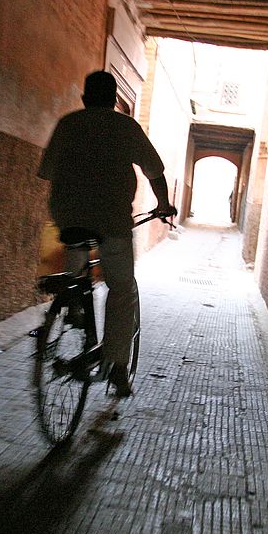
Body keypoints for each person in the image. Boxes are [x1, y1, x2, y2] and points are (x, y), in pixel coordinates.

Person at [37, 70, 176, 397]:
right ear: (115, 101)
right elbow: (155, 171)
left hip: (67, 213)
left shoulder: (68, 123)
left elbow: (46, 171)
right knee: (121, 287)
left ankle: (73, 299)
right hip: (111, 218)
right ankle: (116, 365)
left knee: (75, 241)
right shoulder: (126, 127)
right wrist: (164, 203)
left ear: (85, 99)